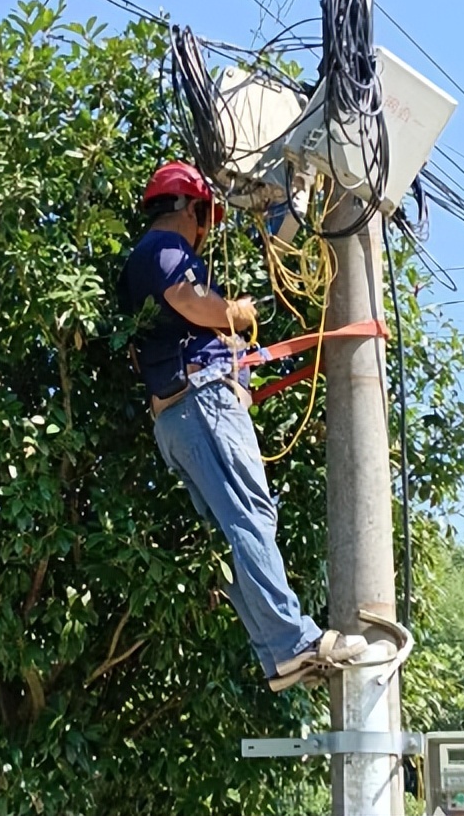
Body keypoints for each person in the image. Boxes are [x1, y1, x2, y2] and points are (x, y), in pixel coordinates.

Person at [117, 161, 367, 691]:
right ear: (191, 208)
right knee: (252, 518)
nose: (207, 231)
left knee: (243, 522)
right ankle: (293, 641)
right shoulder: (163, 250)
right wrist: (235, 312)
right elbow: (190, 300)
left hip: (180, 412)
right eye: (206, 215)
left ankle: (280, 654)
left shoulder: (145, 259)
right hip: (200, 403)